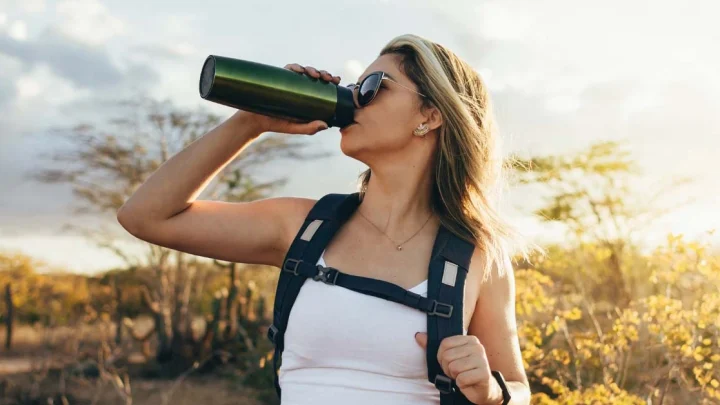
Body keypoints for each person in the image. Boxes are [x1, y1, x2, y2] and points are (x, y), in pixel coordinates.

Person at [117, 34, 531, 404]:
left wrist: (493, 391)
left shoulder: (476, 256)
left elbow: (517, 387)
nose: (352, 99)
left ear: (430, 114)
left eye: (371, 88)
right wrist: (252, 121)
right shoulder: (304, 226)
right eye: (353, 88)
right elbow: (145, 217)